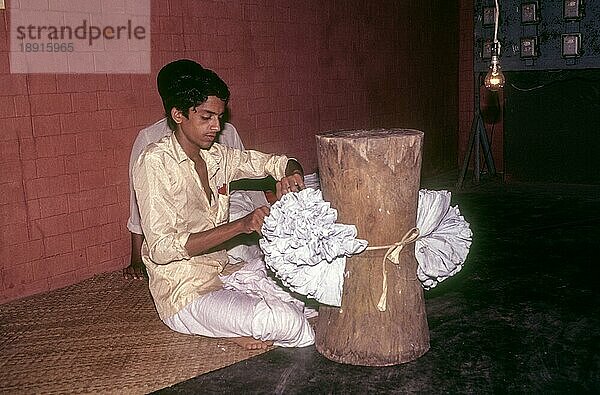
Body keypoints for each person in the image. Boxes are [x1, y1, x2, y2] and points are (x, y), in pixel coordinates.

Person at [132, 60, 315, 349]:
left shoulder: (216, 156)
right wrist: (241, 226)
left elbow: (272, 162)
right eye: (206, 117)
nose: (216, 127)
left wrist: (291, 172)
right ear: (178, 114)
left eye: (218, 117)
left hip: (224, 270)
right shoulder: (154, 162)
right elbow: (162, 248)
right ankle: (227, 327)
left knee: (305, 288)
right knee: (290, 323)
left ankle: (236, 322)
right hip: (185, 291)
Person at [124, 61, 268, 280]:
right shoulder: (150, 143)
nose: (214, 125)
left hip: (230, 206)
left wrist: (268, 221)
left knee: (247, 252)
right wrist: (136, 258)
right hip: (188, 232)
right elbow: (142, 207)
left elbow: (251, 179)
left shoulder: (226, 130)